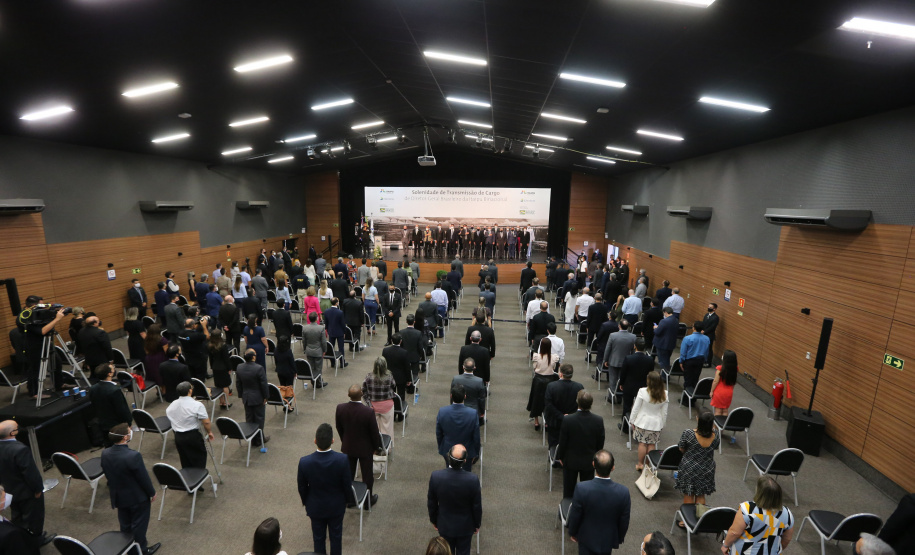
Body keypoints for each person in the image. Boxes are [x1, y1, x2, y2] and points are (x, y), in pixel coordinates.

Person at [100, 423, 160, 555]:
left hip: (119, 496)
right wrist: (152, 492)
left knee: (125, 525)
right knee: (139, 526)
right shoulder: (133, 456)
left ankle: (127, 548)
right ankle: (141, 550)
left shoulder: (105, 453)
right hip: (137, 498)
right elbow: (143, 478)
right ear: (125, 437)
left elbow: (107, 474)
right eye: (129, 431)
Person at [297, 423, 352, 555]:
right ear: (332, 440)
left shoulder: (304, 462)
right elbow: (347, 484)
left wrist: (307, 501)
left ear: (315, 441)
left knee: (318, 539)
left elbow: (302, 487)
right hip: (336, 506)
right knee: (336, 538)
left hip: (315, 507)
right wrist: (346, 501)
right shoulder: (342, 460)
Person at [0, 420, 53, 550]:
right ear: (12, 433)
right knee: (34, 518)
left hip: (8, 491)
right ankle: (36, 541)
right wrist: (38, 489)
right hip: (27, 492)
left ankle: (22, 538)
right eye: (17, 427)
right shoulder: (20, 449)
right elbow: (30, 473)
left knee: (17, 516)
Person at [567, 450, 630, 554]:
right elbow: (624, 520)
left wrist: (572, 532)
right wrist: (619, 538)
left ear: (593, 464)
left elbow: (575, 515)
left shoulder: (582, 488)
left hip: (586, 538)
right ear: (613, 467)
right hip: (608, 539)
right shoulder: (623, 492)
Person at [427, 444, 483, 555]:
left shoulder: (436, 477)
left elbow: (432, 502)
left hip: (444, 525)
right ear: (465, 460)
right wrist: (477, 524)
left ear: (448, 457)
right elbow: (476, 506)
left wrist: (434, 520)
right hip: (465, 526)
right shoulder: (472, 479)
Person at [721, 476, 794, 555]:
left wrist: (725, 545)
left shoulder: (748, 509)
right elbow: (787, 538)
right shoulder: (787, 513)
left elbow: (734, 532)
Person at [335, 385, 382, 504]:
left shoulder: (340, 408)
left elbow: (339, 427)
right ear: (361, 394)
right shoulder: (368, 412)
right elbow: (374, 432)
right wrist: (376, 447)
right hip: (365, 449)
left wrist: (344, 440)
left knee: (348, 475)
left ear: (348, 395)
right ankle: (367, 501)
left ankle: (350, 500)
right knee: (367, 476)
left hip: (348, 447)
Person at [556, 390, 606, 499]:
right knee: (587, 493)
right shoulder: (598, 420)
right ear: (591, 403)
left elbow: (563, 441)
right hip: (589, 461)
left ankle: (568, 508)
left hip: (570, 461)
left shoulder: (568, 419)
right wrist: (596, 458)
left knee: (568, 492)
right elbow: (600, 442)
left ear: (577, 402)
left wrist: (561, 456)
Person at [675, 408, 720, 518]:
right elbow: (715, 447)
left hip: (689, 468)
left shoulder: (688, 433)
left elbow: (681, 448)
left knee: (688, 493)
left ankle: (687, 520)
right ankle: (700, 519)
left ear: (698, 419)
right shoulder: (716, 435)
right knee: (701, 494)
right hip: (707, 468)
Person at [165, 381, 215, 469]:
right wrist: (209, 432)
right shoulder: (197, 405)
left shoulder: (172, 405)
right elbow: (206, 422)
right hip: (193, 436)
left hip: (178, 437)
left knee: (185, 459)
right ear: (190, 391)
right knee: (199, 459)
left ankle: (188, 476)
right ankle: (199, 476)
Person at [436, 384, 481, 471]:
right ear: (465, 396)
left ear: (451, 396)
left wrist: (441, 447)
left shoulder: (442, 411)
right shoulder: (472, 413)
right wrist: (476, 453)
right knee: (466, 473)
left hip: (448, 448)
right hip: (467, 450)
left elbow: (439, 433)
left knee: (449, 471)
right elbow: (476, 436)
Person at [629, 371, 668, 471]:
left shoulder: (642, 391)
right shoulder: (665, 394)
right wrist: (662, 424)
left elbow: (636, 408)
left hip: (642, 422)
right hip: (656, 424)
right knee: (651, 444)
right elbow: (664, 413)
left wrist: (632, 420)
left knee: (642, 444)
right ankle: (648, 465)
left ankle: (640, 464)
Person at [89, 362, 133, 445]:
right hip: (116, 426)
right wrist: (128, 423)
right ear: (109, 374)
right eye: (113, 369)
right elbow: (122, 409)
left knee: (108, 446)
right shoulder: (114, 390)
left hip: (103, 423)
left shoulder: (93, 388)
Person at [544, 363, 583, 448]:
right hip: (573, 421)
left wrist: (561, 416)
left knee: (554, 445)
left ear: (560, 374)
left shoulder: (551, 386)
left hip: (555, 421)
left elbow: (549, 405)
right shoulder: (579, 387)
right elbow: (581, 405)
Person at [618, 337, 655, 419]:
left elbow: (623, 373)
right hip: (643, 386)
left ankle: (625, 424)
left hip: (629, 386)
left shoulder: (628, 358)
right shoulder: (650, 360)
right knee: (641, 407)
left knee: (627, 406)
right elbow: (651, 374)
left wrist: (621, 383)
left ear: (635, 346)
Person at [528, 337, 558, 431]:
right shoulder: (554, 357)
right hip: (550, 380)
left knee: (536, 400)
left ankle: (536, 422)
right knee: (549, 401)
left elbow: (534, 368)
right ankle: (547, 422)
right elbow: (554, 368)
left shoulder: (536, 357)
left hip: (538, 381)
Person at [363, 357, 396, 436]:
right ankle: (387, 443)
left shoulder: (368, 376)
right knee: (388, 430)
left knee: (373, 430)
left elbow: (364, 391)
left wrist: (369, 404)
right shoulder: (389, 376)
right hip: (387, 406)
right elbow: (394, 385)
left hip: (373, 407)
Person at [602, 320, 636, 393]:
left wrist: (605, 360)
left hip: (613, 361)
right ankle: (620, 395)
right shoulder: (633, 337)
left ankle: (612, 396)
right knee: (622, 380)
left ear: (619, 326)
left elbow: (608, 349)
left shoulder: (612, 335)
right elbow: (633, 350)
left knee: (613, 380)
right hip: (626, 362)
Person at [679, 321, 710, 393]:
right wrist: (705, 360)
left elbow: (683, 352)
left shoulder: (687, 338)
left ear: (694, 328)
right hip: (700, 361)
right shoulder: (707, 338)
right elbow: (706, 351)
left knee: (688, 380)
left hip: (689, 361)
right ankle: (693, 396)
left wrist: (681, 361)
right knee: (695, 379)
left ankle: (686, 398)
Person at [178, 316, 210, 381]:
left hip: (188, 357)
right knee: (200, 377)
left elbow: (189, 336)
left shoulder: (180, 333)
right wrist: (204, 326)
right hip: (199, 359)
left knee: (192, 375)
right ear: (193, 325)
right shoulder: (196, 335)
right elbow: (207, 337)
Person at [383, 332, 412, 403]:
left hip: (389, 376)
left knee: (390, 395)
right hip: (401, 378)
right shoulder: (404, 352)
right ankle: (400, 408)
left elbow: (383, 364)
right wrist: (409, 379)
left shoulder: (385, 350)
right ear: (400, 341)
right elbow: (407, 367)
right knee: (401, 395)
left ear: (391, 340)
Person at [207, 332, 233, 410]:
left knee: (218, 386)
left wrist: (212, 366)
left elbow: (210, 358)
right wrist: (229, 368)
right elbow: (226, 358)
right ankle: (226, 402)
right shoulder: (223, 346)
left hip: (215, 367)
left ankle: (221, 402)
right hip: (223, 367)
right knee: (225, 385)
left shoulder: (210, 345)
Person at [711, 350, 738, 420]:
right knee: (725, 410)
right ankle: (723, 425)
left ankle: (716, 426)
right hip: (729, 392)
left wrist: (711, 391)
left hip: (719, 392)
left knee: (718, 411)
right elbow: (733, 382)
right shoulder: (735, 369)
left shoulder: (720, 368)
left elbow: (715, 381)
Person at [303, 311, 328, 388]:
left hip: (309, 350)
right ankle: (319, 382)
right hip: (318, 351)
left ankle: (313, 381)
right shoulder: (321, 328)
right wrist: (325, 350)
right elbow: (323, 341)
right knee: (318, 368)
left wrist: (305, 349)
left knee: (311, 367)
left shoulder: (305, 328)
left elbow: (304, 341)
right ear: (317, 318)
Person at [653, 308, 678, 373]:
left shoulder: (664, 321)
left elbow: (657, 332)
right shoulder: (676, 320)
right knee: (667, 359)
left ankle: (664, 375)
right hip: (671, 343)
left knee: (662, 361)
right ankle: (666, 373)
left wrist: (655, 328)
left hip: (662, 344)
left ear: (666, 312)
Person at [142, 323, 167, 388]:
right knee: (161, 377)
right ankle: (163, 391)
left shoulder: (147, 339)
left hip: (149, 359)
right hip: (160, 359)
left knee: (153, 376)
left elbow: (146, 351)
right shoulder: (162, 340)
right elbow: (167, 352)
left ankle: (158, 390)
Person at [703, 302, 719, 367]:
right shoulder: (706, 315)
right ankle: (704, 360)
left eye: (710, 307)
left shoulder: (715, 317)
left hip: (709, 335)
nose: (708, 308)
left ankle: (708, 363)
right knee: (704, 348)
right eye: (708, 307)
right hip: (704, 334)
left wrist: (704, 331)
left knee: (709, 349)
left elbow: (712, 327)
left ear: (714, 309)